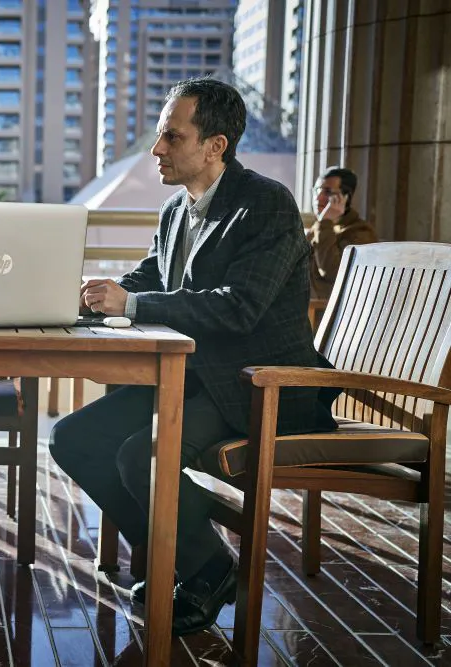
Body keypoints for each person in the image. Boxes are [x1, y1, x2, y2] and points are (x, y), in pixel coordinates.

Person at [49, 78, 337, 637]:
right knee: (73, 439)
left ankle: (210, 570)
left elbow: (240, 309)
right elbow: (147, 278)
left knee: (141, 456)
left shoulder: (266, 205)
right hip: (200, 379)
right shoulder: (177, 211)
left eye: (170, 137)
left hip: (262, 386)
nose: (157, 149)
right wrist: (81, 296)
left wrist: (130, 302)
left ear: (215, 146)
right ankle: (170, 557)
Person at [307, 166, 378, 299]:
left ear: (345, 197)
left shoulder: (360, 232)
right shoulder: (319, 226)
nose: (318, 198)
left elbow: (331, 271)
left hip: (324, 311)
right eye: (316, 190)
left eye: (327, 192)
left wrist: (326, 222)